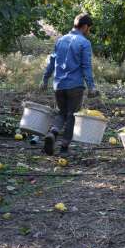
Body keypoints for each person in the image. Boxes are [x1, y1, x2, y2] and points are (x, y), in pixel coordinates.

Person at [40, 13, 99, 155]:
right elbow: (86, 66)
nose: (88, 32)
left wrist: (45, 79)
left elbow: (51, 62)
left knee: (61, 113)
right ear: (85, 27)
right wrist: (91, 86)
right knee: (71, 115)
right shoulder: (84, 43)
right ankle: (64, 147)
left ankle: (53, 133)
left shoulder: (60, 40)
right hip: (75, 86)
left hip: (59, 85)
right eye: (89, 29)